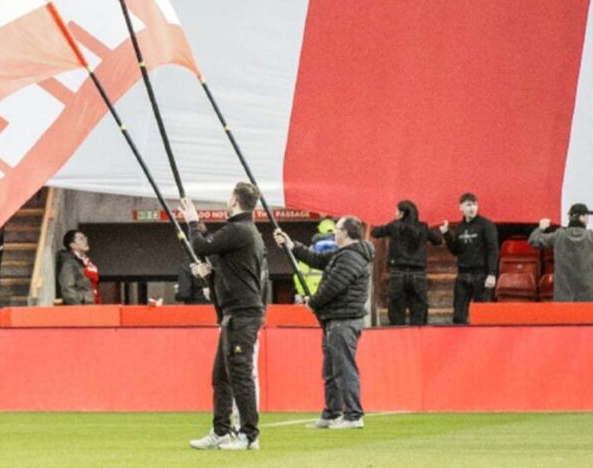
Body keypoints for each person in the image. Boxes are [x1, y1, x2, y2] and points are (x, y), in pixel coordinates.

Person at [181, 182, 271, 452]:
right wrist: (210, 275)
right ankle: (222, 431)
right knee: (221, 375)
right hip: (236, 313)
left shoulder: (239, 230)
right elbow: (233, 270)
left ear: (235, 201)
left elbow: (200, 245)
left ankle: (249, 435)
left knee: (240, 374)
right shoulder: (244, 233)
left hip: (241, 314)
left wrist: (193, 222)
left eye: (229, 198)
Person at [279, 216, 372, 429]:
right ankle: (332, 413)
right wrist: (292, 246)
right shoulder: (345, 255)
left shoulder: (350, 257)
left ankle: (353, 415)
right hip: (336, 319)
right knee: (331, 369)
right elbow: (318, 260)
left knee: (344, 368)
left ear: (345, 233)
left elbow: (334, 286)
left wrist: (314, 301)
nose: (334, 233)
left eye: (337, 229)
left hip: (344, 320)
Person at [436, 193, 501, 325]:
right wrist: (446, 233)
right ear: (461, 207)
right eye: (469, 205)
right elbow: (455, 250)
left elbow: (493, 250)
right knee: (459, 315)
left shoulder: (486, 225)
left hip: (481, 274)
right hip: (463, 274)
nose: (473, 208)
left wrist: (492, 274)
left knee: (482, 315)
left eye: (475, 204)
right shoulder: (460, 228)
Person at [381, 201, 430, 326]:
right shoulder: (423, 226)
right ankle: (419, 337)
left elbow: (375, 232)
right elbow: (437, 239)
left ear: (402, 213)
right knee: (419, 309)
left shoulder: (394, 226)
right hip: (418, 272)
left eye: (396, 211)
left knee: (396, 309)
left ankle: (397, 339)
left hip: (398, 271)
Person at [56, 229, 97, 305]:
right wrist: (78, 307)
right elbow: (68, 289)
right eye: (81, 239)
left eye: (85, 238)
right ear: (72, 245)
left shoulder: (84, 261)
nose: (85, 241)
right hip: (81, 306)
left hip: (89, 303)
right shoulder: (69, 262)